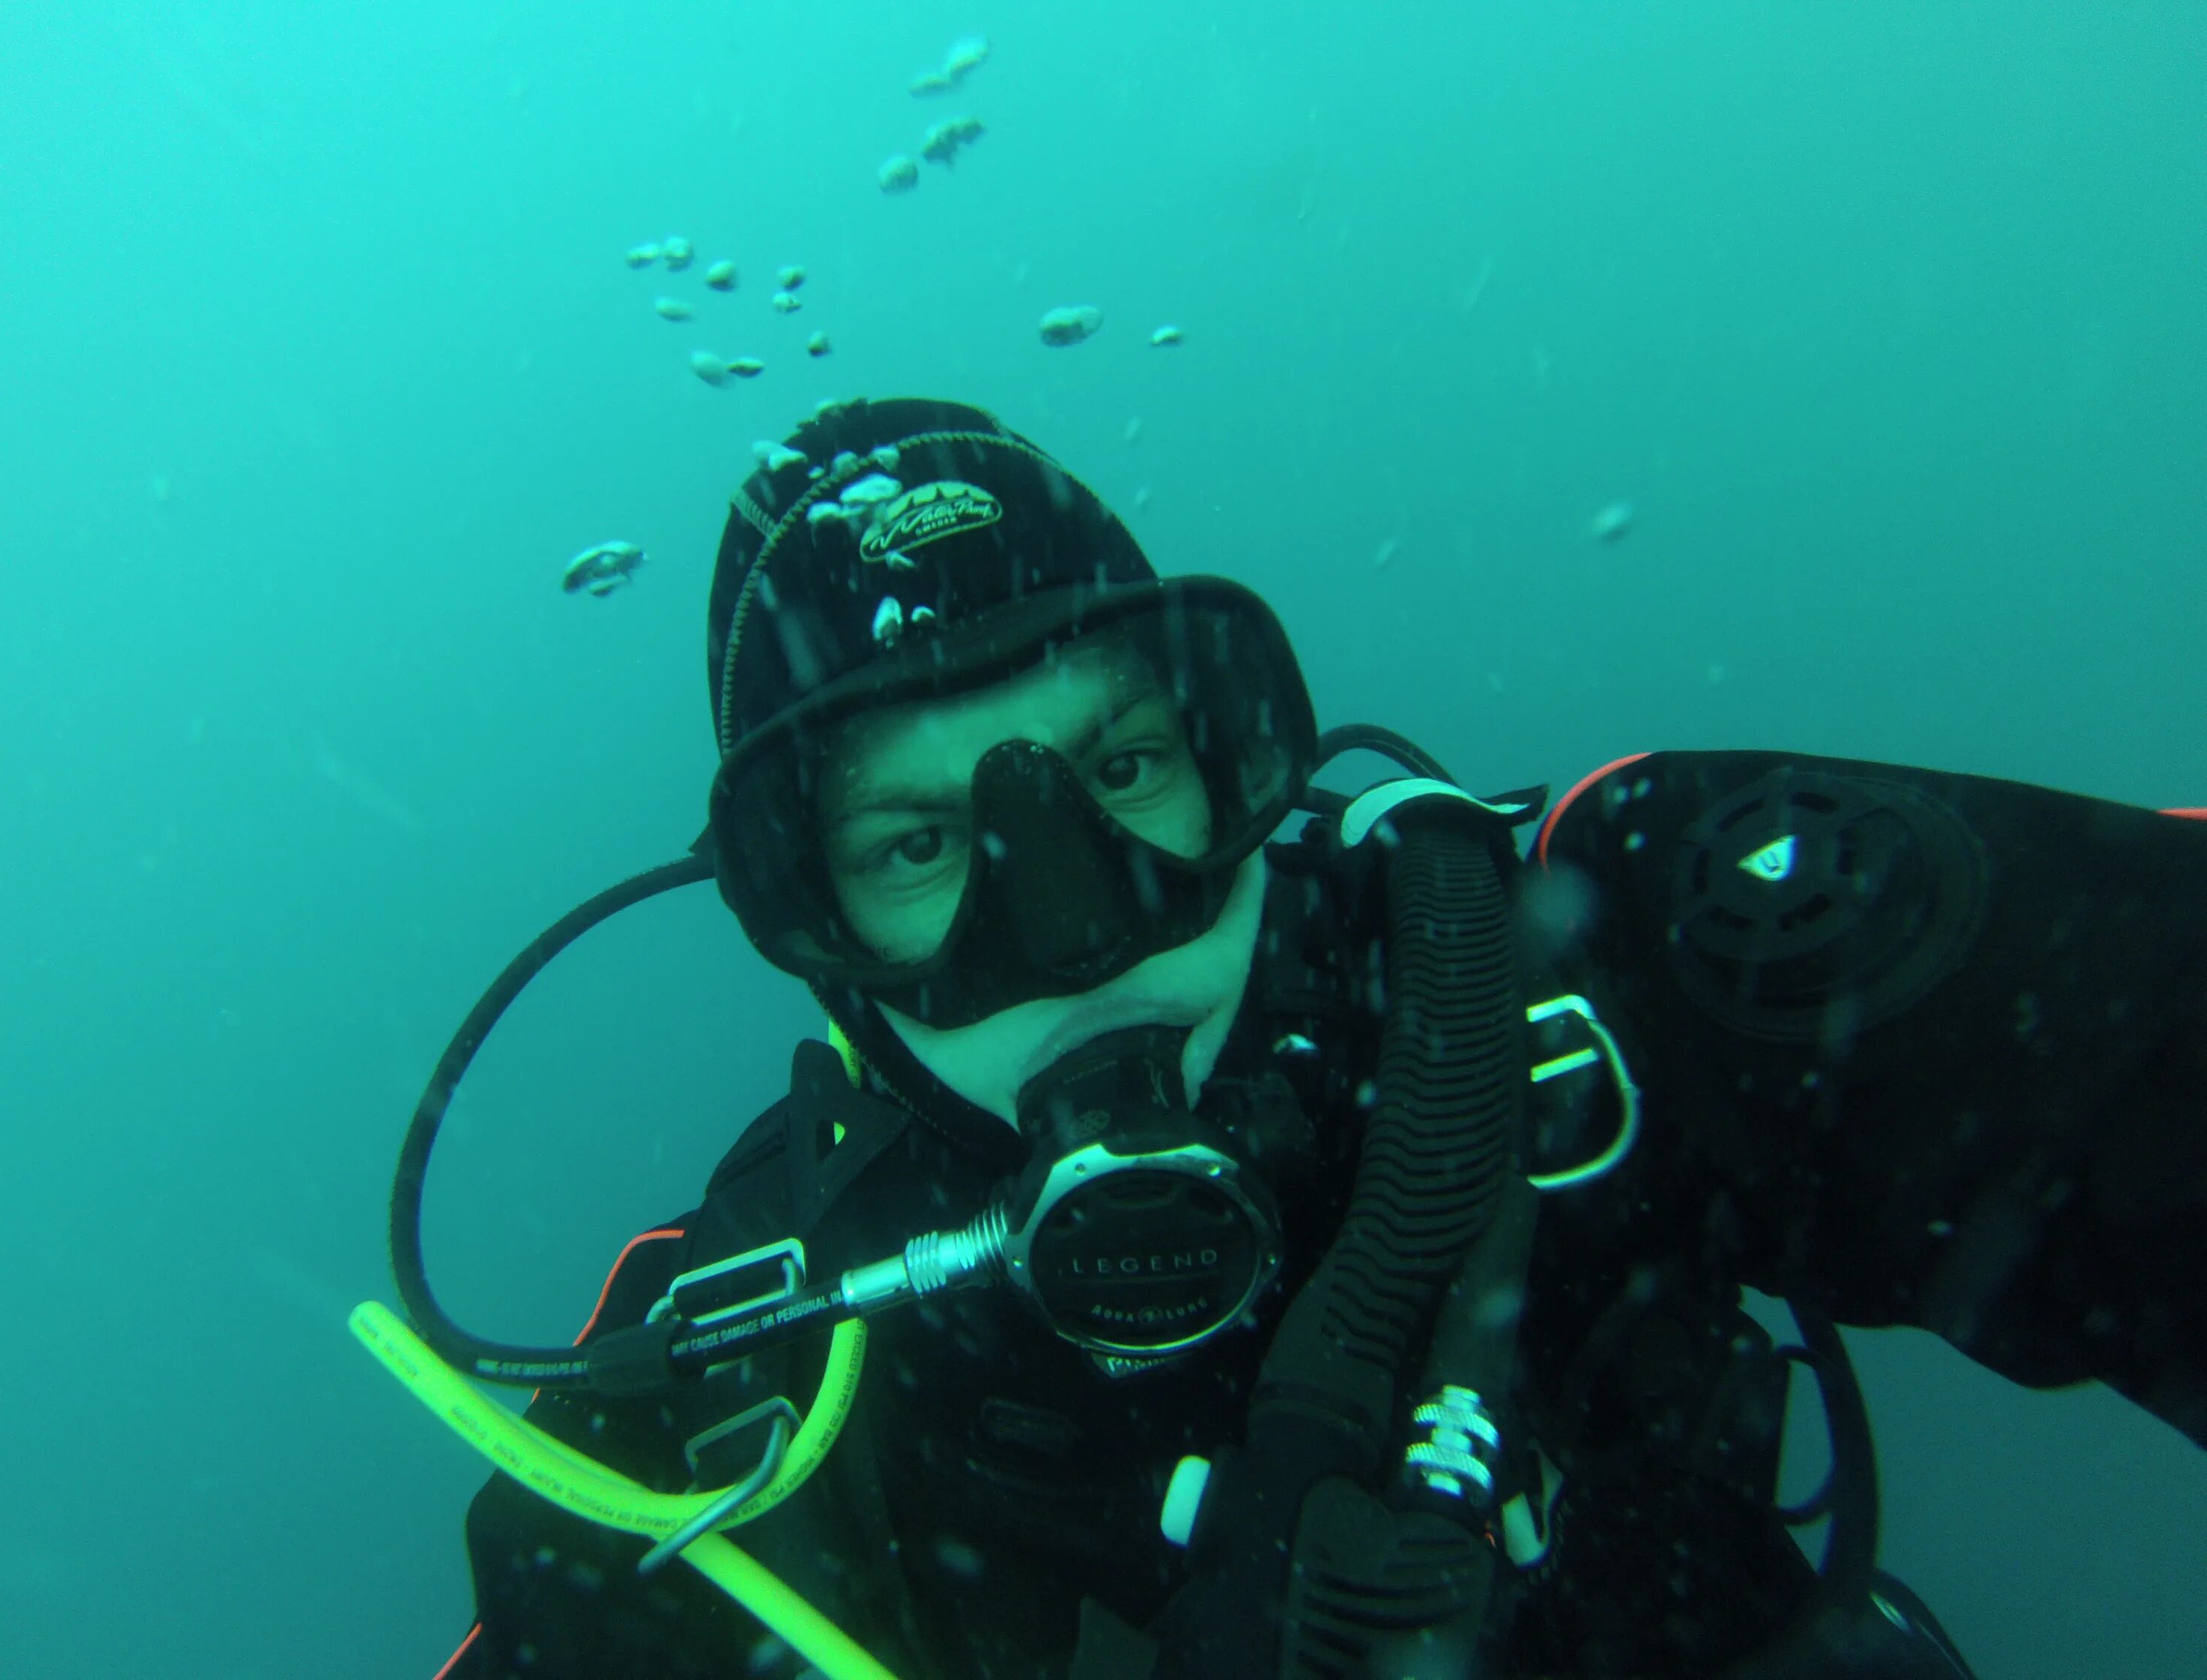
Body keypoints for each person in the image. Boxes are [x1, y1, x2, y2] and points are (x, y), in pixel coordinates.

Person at [407, 396, 2206, 1679]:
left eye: (1122, 775)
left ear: (1237, 763)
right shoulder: (733, 1396)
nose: (1079, 926)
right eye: (921, 846)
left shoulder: (1627, 967)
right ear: (816, 940)